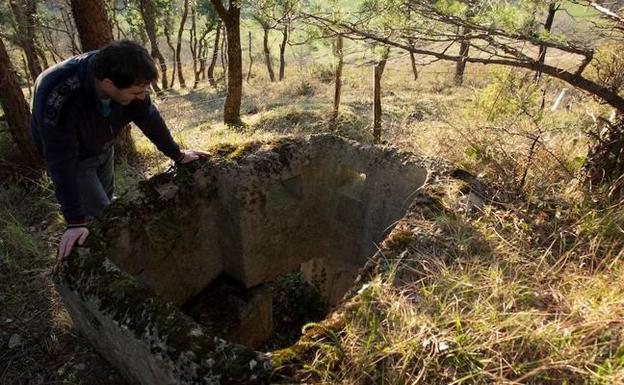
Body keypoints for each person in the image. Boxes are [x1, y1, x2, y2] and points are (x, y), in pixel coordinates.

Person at [30, 40, 208, 263]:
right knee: (103, 216)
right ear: (108, 83)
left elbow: (149, 118)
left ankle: (100, 230)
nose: (142, 97)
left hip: (103, 142)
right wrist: (74, 221)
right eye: (136, 92)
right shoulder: (60, 97)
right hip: (74, 157)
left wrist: (177, 155)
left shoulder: (128, 73)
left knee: (107, 199)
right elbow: (60, 162)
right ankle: (108, 262)